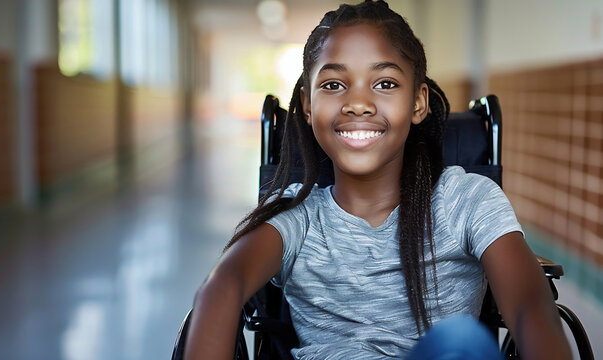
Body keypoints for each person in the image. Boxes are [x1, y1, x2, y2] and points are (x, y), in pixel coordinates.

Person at [184, 1, 571, 359]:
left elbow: (528, 304)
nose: (358, 102)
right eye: (334, 85)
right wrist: (216, 293)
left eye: (384, 83)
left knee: (461, 342)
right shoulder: (295, 218)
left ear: (417, 103)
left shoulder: (466, 200)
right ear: (306, 104)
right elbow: (223, 286)